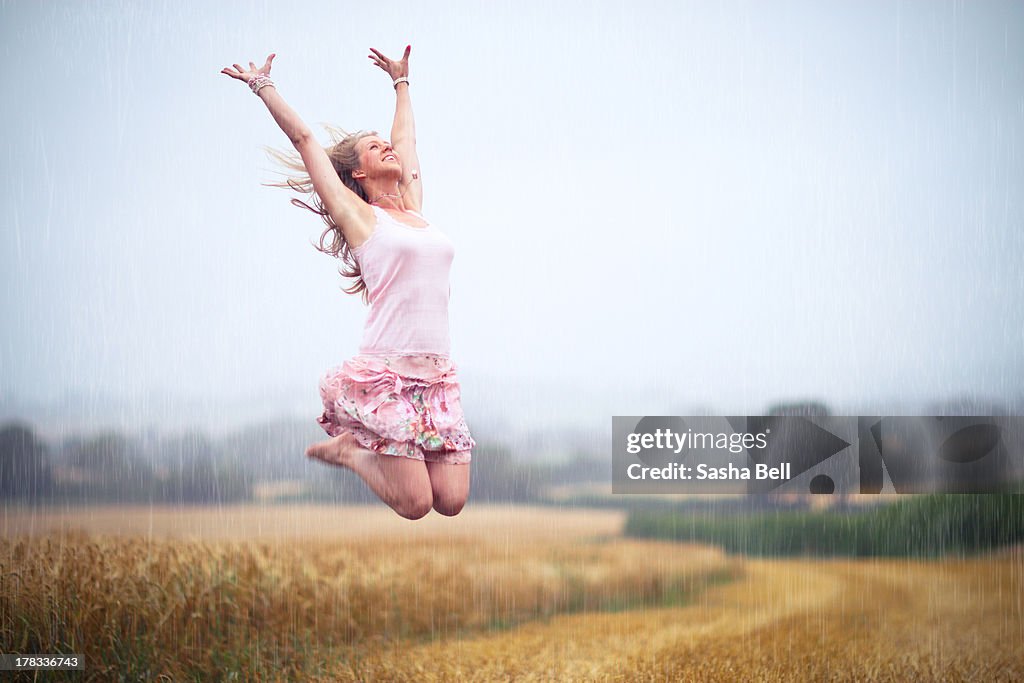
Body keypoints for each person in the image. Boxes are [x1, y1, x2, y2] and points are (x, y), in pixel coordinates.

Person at [221, 47, 475, 520]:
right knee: (417, 504)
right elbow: (304, 140)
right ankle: (350, 453)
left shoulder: (415, 209)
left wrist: (401, 84)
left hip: (438, 374)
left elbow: (408, 139)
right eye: (375, 147)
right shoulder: (359, 217)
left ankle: (358, 451)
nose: (388, 148)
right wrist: (263, 87)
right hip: (389, 374)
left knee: (452, 501)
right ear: (358, 172)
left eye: (387, 144)